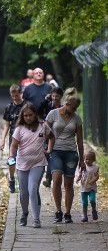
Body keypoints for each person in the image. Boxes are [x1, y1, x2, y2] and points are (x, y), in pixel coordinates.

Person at [45, 91, 85, 224]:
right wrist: (44, 149)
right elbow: (44, 132)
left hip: (71, 153)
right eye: (73, 107)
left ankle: (67, 213)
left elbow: (79, 140)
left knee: (68, 183)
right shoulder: (53, 114)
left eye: (76, 108)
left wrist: (82, 159)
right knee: (56, 180)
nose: (75, 110)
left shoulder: (77, 118)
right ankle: (58, 211)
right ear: (66, 104)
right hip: (55, 151)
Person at [9, 103, 49, 227]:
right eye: (25, 115)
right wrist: (11, 156)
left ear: (35, 115)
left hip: (38, 162)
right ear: (22, 116)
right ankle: (24, 213)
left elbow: (52, 137)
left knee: (33, 189)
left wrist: (49, 149)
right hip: (22, 164)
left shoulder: (43, 126)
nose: (28, 117)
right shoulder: (19, 129)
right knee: (24, 192)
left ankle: (36, 219)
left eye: (30, 115)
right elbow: (13, 145)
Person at [0, 85, 25, 193]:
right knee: (11, 160)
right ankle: (11, 178)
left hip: (25, 138)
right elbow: (7, 125)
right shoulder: (9, 107)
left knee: (23, 160)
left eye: (17, 95)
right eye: (12, 96)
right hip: (13, 138)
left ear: (21, 93)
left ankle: (23, 181)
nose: (15, 98)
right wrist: (3, 139)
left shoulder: (27, 105)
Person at [78, 150, 99, 222]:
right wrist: (78, 178)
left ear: (93, 160)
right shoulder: (83, 167)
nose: (87, 161)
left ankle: (94, 210)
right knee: (84, 203)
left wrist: (94, 180)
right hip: (84, 188)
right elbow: (80, 174)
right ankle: (85, 215)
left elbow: (97, 176)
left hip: (91, 188)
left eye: (90, 159)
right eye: (86, 159)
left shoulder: (95, 168)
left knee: (92, 200)